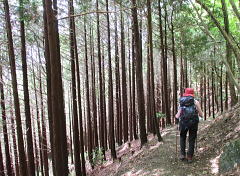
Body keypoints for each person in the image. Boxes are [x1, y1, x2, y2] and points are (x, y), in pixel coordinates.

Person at [175, 88, 203, 163]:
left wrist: (177, 118)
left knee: (182, 137)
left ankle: (182, 154)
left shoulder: (181, 102)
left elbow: (178, 115)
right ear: (192, 94)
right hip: (193, 123)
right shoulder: (195, 102)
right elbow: (201, 114)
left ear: (185, 93)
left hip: (183, 123)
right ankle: (190, 156)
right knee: (192, 138)